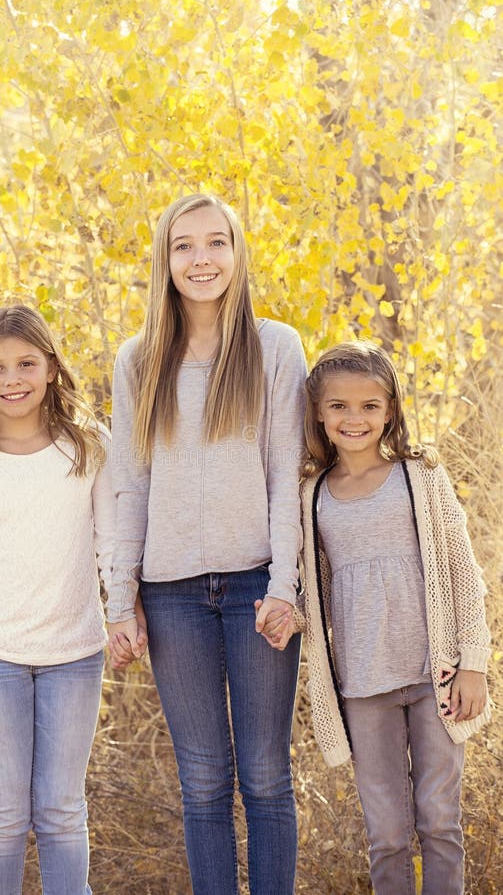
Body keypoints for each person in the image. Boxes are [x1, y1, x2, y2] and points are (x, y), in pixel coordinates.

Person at [107, 193, 306, 894]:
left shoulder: (275, 348)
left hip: (257, 586)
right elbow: (127, 486)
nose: (200, 259)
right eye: (183, 245)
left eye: (215, 242)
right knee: (201, 781)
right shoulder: (137, 361)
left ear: (237, 251)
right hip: (169, 598)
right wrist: (118, 600)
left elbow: (286, 476)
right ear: (163, 260)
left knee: (265, 774)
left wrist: (286, 586)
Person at [0, 304, 114, 895]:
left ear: (52, 368)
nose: (13, 380)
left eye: (27, 364)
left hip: (75, 653)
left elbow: (113, 548)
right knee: (4, 812)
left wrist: (127, 617)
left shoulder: (88, 447)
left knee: (61, 809)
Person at [296, 340, 491, 895]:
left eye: (369, 406)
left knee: (440, 822)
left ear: (390, 410)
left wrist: (474, 662)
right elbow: (315, 592)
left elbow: (461, 567)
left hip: (438, 676)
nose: (354, 418)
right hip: (363, 683)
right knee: (385, 834)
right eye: (339, 406)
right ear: (318, 412)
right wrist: (285, 614)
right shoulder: (312, 495)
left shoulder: (421, 477)